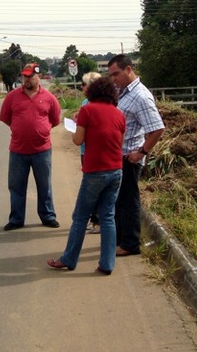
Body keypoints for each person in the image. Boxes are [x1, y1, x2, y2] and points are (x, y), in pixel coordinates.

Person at [47, 76, 125, 275]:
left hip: (95, 170)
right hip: (116, 170)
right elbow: (120, 142)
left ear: (92, 92)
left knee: (80, 217)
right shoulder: (119, 114)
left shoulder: (87, 110)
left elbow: (77, 140)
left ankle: (69, 259)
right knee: (108, 216)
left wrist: (78, 126)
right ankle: (107, 264)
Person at [107, 54, 165, 256]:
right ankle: (120, 239)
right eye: (111, 75)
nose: (114, 79)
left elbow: (157, 128)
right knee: (119, 200)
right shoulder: (121, 92)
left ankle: (130, 244)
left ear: (129, 69)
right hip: (117, 156)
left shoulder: (141, 96)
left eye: (117, 74)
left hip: (129, 158)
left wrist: (141, 152)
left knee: (129, 201)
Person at [0, 62, 62, 230]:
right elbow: (5, 117)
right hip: (18, 150)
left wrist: (41, 130)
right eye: (24, 76)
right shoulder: (12, 96)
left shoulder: (49, 98)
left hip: (42, 151)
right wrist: (19, 128)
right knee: (16, 187)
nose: (25, 79)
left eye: (29, 76)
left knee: (44, 185)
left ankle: (48, 216)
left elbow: (55, 120)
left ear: (38, 76)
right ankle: (16, 219)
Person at [77, 71, 102, 233]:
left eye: (84, 84)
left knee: (94, 188)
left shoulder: (100, 105)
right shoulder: (85, 102)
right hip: (85, 150)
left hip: (93, 151)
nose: (82, 87)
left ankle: (97, 221)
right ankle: (94, 219)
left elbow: (79, 137)